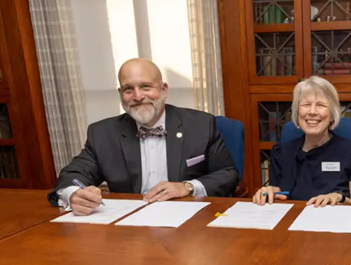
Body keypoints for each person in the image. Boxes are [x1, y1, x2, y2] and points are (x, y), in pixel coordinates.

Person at [48, 58, 238, 215]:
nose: (137, 96)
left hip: (189, 220)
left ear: (163, 89)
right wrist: (74, 194)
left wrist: (187, 187)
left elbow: (227, 174)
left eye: (145, 86)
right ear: (121, 94)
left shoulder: (200, 124)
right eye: (128, 89)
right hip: (128, 227)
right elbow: (73, 175)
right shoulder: (103, 133)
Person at [252, 76, 351, 207]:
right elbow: (279, 193)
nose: (312, 112)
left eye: (320, 105)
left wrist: (339, 198)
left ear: (332, 114)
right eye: (306, 105)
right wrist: (269, 192)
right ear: (298, 112)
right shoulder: (281, 152)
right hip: (290, 223)